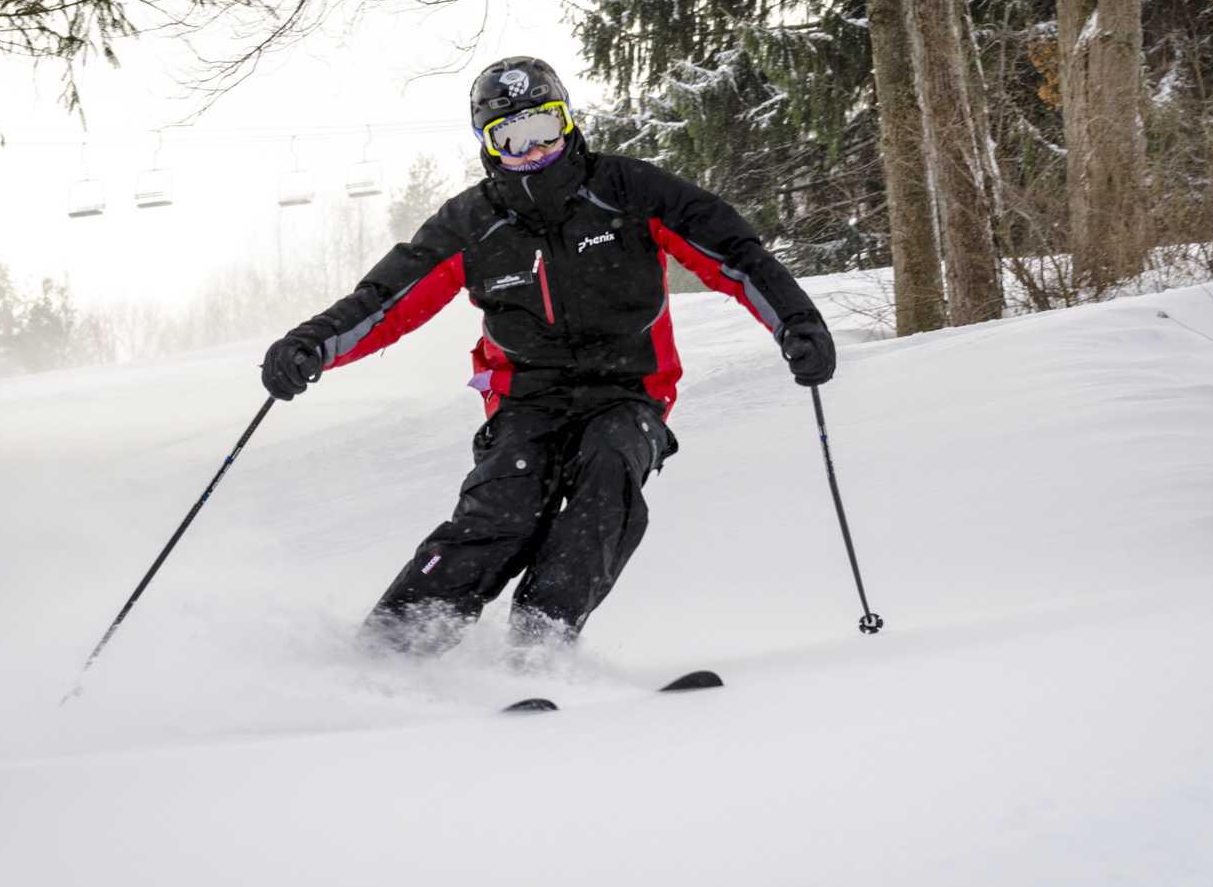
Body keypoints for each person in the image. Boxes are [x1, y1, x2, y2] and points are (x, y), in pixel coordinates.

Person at [262, 56, 835, 656]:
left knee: (607, 477)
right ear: (489, 143)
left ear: (565, 122)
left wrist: (795, 322)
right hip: (524, 401)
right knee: (501, 513)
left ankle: (540, 645)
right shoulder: (472, 223)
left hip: (629, 391)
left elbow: (735, 253)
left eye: (544, 128)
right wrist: (312, 345)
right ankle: (389, 652)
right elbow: (385, 301)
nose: (533, 150)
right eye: (511, 137)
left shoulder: (629, 193)